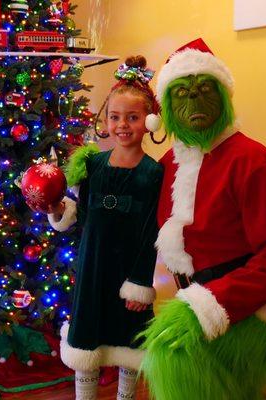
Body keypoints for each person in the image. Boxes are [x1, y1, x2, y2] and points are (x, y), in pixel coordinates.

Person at [139, 39, 266, 400]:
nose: (194, 103)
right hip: (204, 301)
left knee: (173, 355)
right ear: (167, 107)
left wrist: (210, 305)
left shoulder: (253, 161)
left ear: (223, 96)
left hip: (265, 311)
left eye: (204, 91)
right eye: (182, 93)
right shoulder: (170, 163)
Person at [47, 56, 164, 400]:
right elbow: (78, 215)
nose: (122, 125)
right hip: (92, 270)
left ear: (150, 121)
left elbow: (151, 233)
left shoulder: (152, 174)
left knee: (129, 342)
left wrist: (140, 283)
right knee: (87, 341)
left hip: (128, 275)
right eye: (115, 117)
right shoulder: (92, 165)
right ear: (105, 120)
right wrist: (57, 209)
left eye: (133, 117)